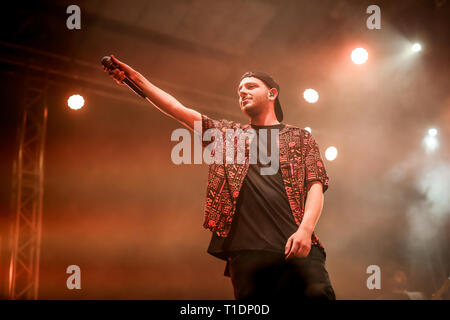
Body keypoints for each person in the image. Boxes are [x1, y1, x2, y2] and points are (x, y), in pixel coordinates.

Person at [105, 56, 336, 300]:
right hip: (247, 252)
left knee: (319, 295)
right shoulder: (229, 136)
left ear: (272, 93)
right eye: (239, 90)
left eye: (250, 86)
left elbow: (315, 185)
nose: (242, 93)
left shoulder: (300, 138)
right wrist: (135, 78)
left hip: (297, 244)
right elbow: (178, 110)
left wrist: (306, 230)